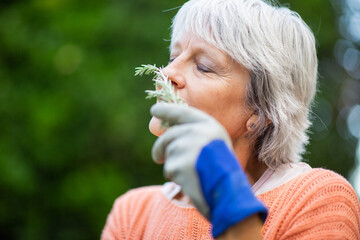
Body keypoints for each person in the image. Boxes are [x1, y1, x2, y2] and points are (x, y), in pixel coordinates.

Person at [101, 0, 360, 239]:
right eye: (172, 57)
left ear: (261, 110)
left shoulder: (316, 200)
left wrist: (228, 198)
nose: (167, 72)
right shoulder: (133, 214)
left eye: (203, 66)